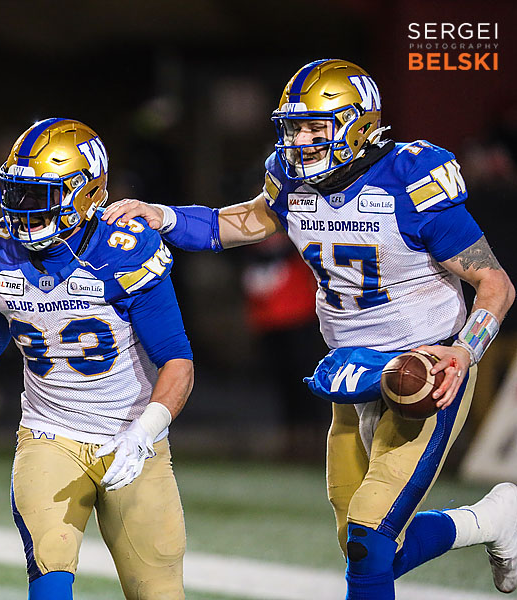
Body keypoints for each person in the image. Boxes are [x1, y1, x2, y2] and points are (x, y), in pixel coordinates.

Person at [102, 59, 517, 600]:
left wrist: (463, 352)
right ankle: (492, 520)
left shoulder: (408, 179)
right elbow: (248, 220)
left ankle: (491, 520)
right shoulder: (291, 177)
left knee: (371, 533)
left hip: (424, 368)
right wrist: (164, 215)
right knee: (361, 543)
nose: (299, 139)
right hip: (352, 368)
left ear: (358, 124)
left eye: (313, 128)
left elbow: (495, 283)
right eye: (293, 127)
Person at [0, 118, 194, 599]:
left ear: (88, 193)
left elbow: (177, 363)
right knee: (50, 575)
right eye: (18, 192)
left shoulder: (124, 251)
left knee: (157, 592)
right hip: (50, 436)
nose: (23, 210)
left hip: (132, 436)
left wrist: (144, 432)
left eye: (41, 194)